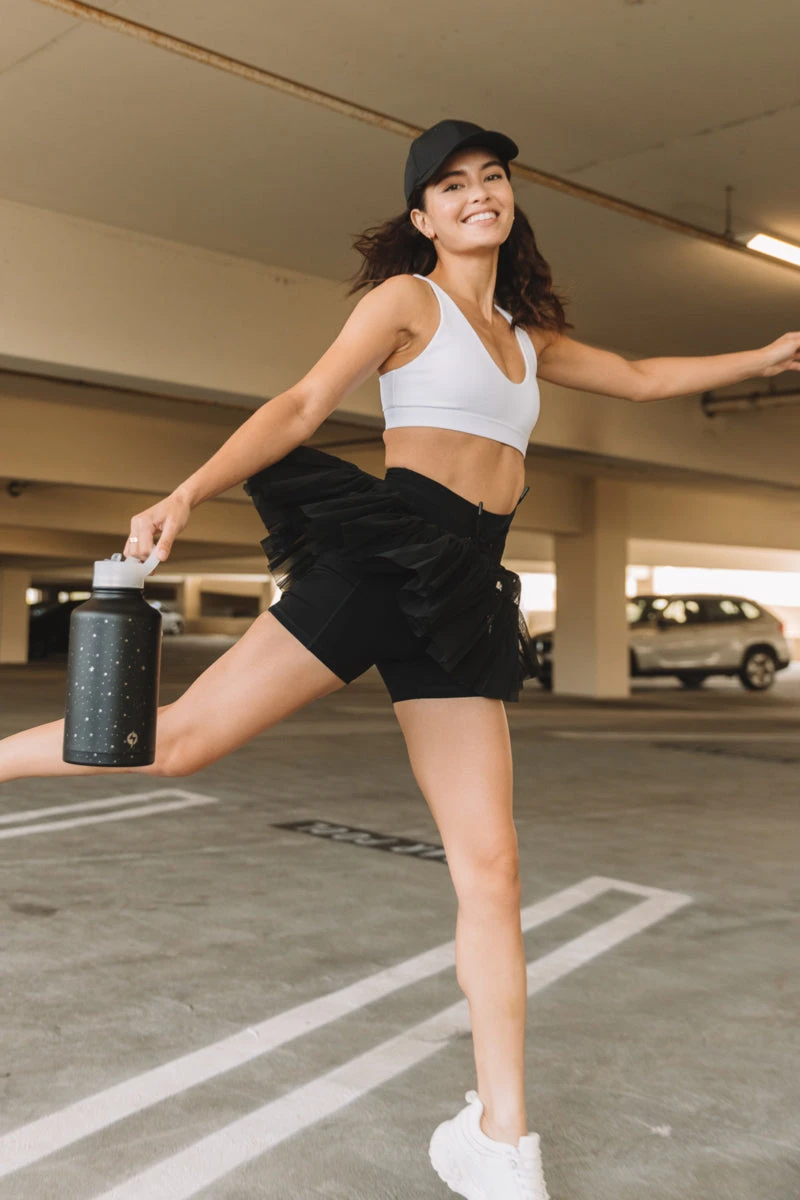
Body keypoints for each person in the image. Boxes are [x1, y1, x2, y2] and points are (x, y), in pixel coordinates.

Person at [1, 118, 799, 1200]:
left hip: (464, 593)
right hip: (383, 560)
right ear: (423, 217)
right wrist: (186, 494)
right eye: (452, 185)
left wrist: (765, 355)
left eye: (492, 178)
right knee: (179, 742)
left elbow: (644, 375)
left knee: (492, 866)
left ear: (510, 200)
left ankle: (502, 1144)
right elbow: (301, 403)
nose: (478, 194)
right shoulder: (406, 302)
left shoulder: (526, 338)